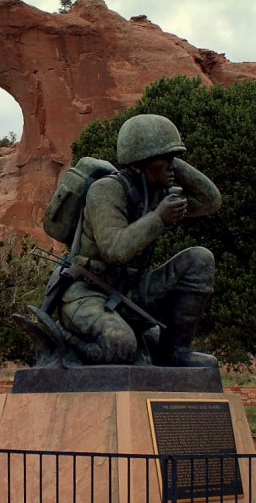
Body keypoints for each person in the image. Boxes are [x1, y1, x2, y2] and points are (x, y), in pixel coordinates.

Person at [58, 113, 221, 367]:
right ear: (138, 163)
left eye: (174, 159)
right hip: (88, 293)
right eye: (165, 159)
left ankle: (175, 351)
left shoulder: (157, 194)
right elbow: (114, 250)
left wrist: (170, 158)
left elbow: (210, 201)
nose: (172, 166)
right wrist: (158, 218)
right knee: (119, 346)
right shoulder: (106, 190)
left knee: (200, 259)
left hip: (130, 292)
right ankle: (63, 342)